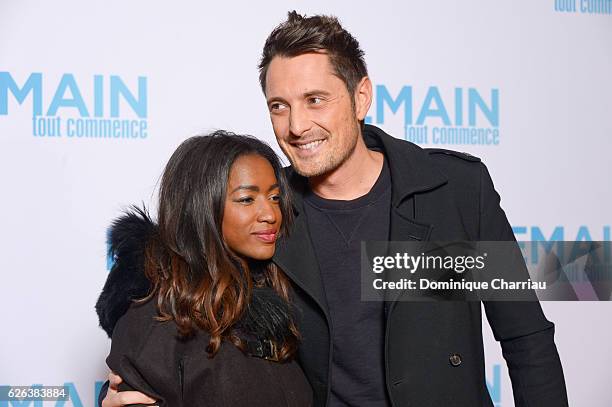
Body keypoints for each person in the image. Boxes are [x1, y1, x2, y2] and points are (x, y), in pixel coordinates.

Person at [98, 12, 569, 407]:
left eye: (315, 100)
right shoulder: (269, 208)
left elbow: (525, 337)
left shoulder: (452, 190)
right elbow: (184, 263)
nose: (297, 125)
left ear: (360, 96)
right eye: (278, 106)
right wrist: (132, 384)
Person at [96, 131, 312, 406]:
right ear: (201, 207)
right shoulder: (154, 315)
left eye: (275, 197)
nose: (271, 214)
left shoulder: (279, 296)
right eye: (247, 199)